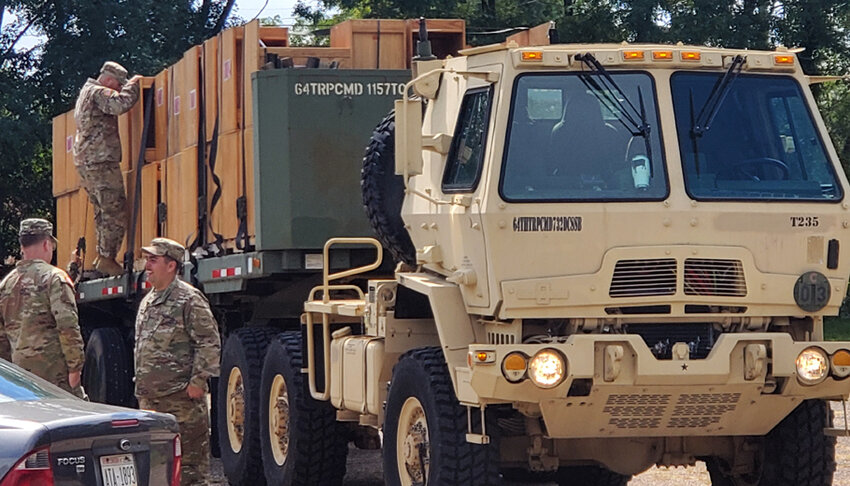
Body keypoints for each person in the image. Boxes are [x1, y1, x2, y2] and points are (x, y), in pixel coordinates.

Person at [134, 238, 220, 486]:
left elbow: (209, 342)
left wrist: (198, 382)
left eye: (153, 260)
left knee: (189, 473)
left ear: (171, 265)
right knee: (156, 472)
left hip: (181, 403)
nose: (147, 265)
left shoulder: (189, 300)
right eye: (147, 259)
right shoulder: (148, 300)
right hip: (151, 403)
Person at [0, 218, 85, 397]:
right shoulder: (55, 278)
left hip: (21, 381)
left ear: (22, 246)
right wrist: (75, 370)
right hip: (54, 379)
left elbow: (2, 340)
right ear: (47, 244)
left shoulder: (6, 284)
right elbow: (68, 327)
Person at [73, 61, 142, 276]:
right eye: (119, 85)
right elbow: (120, 104)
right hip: (100, 160)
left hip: (87, 162)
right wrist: (134, 84)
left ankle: (104, 255)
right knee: (114, 209)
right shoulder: (98, 92)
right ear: (110, 80)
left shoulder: (85, 92)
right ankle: (107, 257)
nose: (120, 89)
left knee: (102, 211)